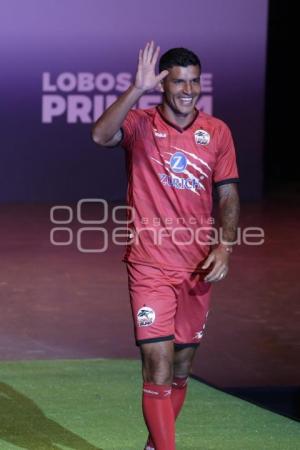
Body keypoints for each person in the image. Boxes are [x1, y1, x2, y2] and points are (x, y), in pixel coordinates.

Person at [92, 41, 240, 450]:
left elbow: (227, 194)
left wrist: (225, 245)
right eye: (179, 82)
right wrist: (135, 90)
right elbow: (100, 134)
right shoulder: (140, 125)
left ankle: (155, 445)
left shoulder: (218, 132)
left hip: (197, 268)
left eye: (194, 81)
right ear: (164, 84)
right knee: (156, 364)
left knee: (180, 368)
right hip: (149, 264)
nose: (188, 89)